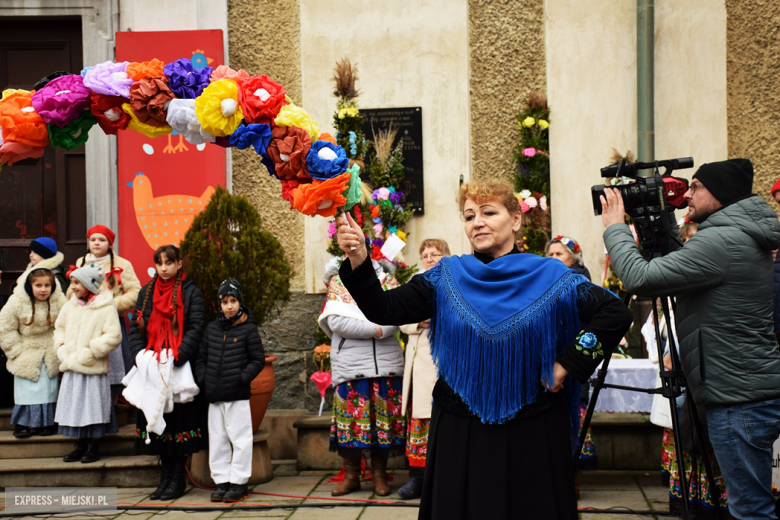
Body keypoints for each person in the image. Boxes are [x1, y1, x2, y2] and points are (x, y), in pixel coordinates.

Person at [335, 179, 633, 519]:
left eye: (489, 212)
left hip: (532, 430)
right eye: (469, 215)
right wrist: (359, 256)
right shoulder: (445, 277)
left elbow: (615, 314)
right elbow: (383, 310)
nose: (477, 222)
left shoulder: (551, 275)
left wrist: (566, 364)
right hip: (461, 431)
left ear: (516, 220)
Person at [602, 158, 780, 519]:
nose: (689, 194)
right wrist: (663, 220)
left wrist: (614, 229)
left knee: (750, 510)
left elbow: (640, 277)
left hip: (736, 396)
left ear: (722, 194)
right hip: (741, 388)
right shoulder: (735, 234)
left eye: (697, 186)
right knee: (750, 506)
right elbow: (680, 266)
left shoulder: (722, 241)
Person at [317, 260, 405, 498]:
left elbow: (399, 314)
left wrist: (380, 327)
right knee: (351, 426)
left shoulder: (387, 280)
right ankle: (351, 476)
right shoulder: (338, 282)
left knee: (382, 426)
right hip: (352, 367)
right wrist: (376, 329)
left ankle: (379, 475)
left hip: (385, 366)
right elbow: (336, 322)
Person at [128, 245, 207, 501]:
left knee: (177, 421)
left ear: (179, 264)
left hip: (178, 366)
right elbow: (135, 327)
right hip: (152, 365)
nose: (164, 268)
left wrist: (178, 356)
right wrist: (140, 356)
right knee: (157, 416)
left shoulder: (190, 291)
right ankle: (165, 476)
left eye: (169, 263)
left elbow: (195, 326)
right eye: (159, 263)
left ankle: (178, 478)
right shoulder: (146, 292)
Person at [193, 279, 265, 504]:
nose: (229, 306)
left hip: (237, 396)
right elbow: (201, 358)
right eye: (225, 302)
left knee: (240, 438)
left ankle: (239, 482)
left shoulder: (248, 329)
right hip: (215, 397)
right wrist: (204, 378)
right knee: (218, 439)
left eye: (233, 301)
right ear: (219, 304)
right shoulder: (212, 329)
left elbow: (258, 360)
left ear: (240, 302)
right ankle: (222, 481)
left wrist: (240, 378)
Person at [396, 239, 449, 500]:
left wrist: (436, 319)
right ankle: (417, 480)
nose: (429, 258)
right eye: (425, 254)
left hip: (442, 363)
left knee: (440, 420)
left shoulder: (454, 283)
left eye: (435, 254)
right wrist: (420, 320)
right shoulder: (415, 284)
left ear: (446, 257)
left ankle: (443, 482)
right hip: (418, 364)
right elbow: (401, 320)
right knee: (419, 421)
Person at [53, 263, 122, 463]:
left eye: (76, 283)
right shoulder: (70, 305)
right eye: (72, 282)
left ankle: (93, 445)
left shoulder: (105, 307)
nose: (72, 286)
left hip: (92, 367)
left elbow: (113, 336)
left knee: (92, 406)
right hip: (72, 365)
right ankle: (80, 443)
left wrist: (92, 351)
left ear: (89, 285)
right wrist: (62, 347)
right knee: (75, 405)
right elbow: (60, 328)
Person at [70, 225, 141, 398]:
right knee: (88, 361)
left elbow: (135, 292)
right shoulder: (81, 262)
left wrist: (111, 305)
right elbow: (73, 289)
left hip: (110, 322)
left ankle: (111, 404)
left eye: (102, 240)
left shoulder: (122, 264)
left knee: (111, 365)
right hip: (85, 323)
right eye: (93, 239)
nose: (96, 243)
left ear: (109, 244)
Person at [0, 267, 67, 438]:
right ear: (30, 286)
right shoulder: (16, 302)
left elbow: (67, 324)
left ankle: (46, 423)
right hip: (26, 350)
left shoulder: (59, 301)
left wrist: (60, 346)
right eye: (38, 285)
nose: (43, 289)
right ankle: (22, 424)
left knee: (47, 390)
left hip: (50, 350)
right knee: (26, 391)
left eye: (47, 285)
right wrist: (16, 351)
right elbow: (5, 327)